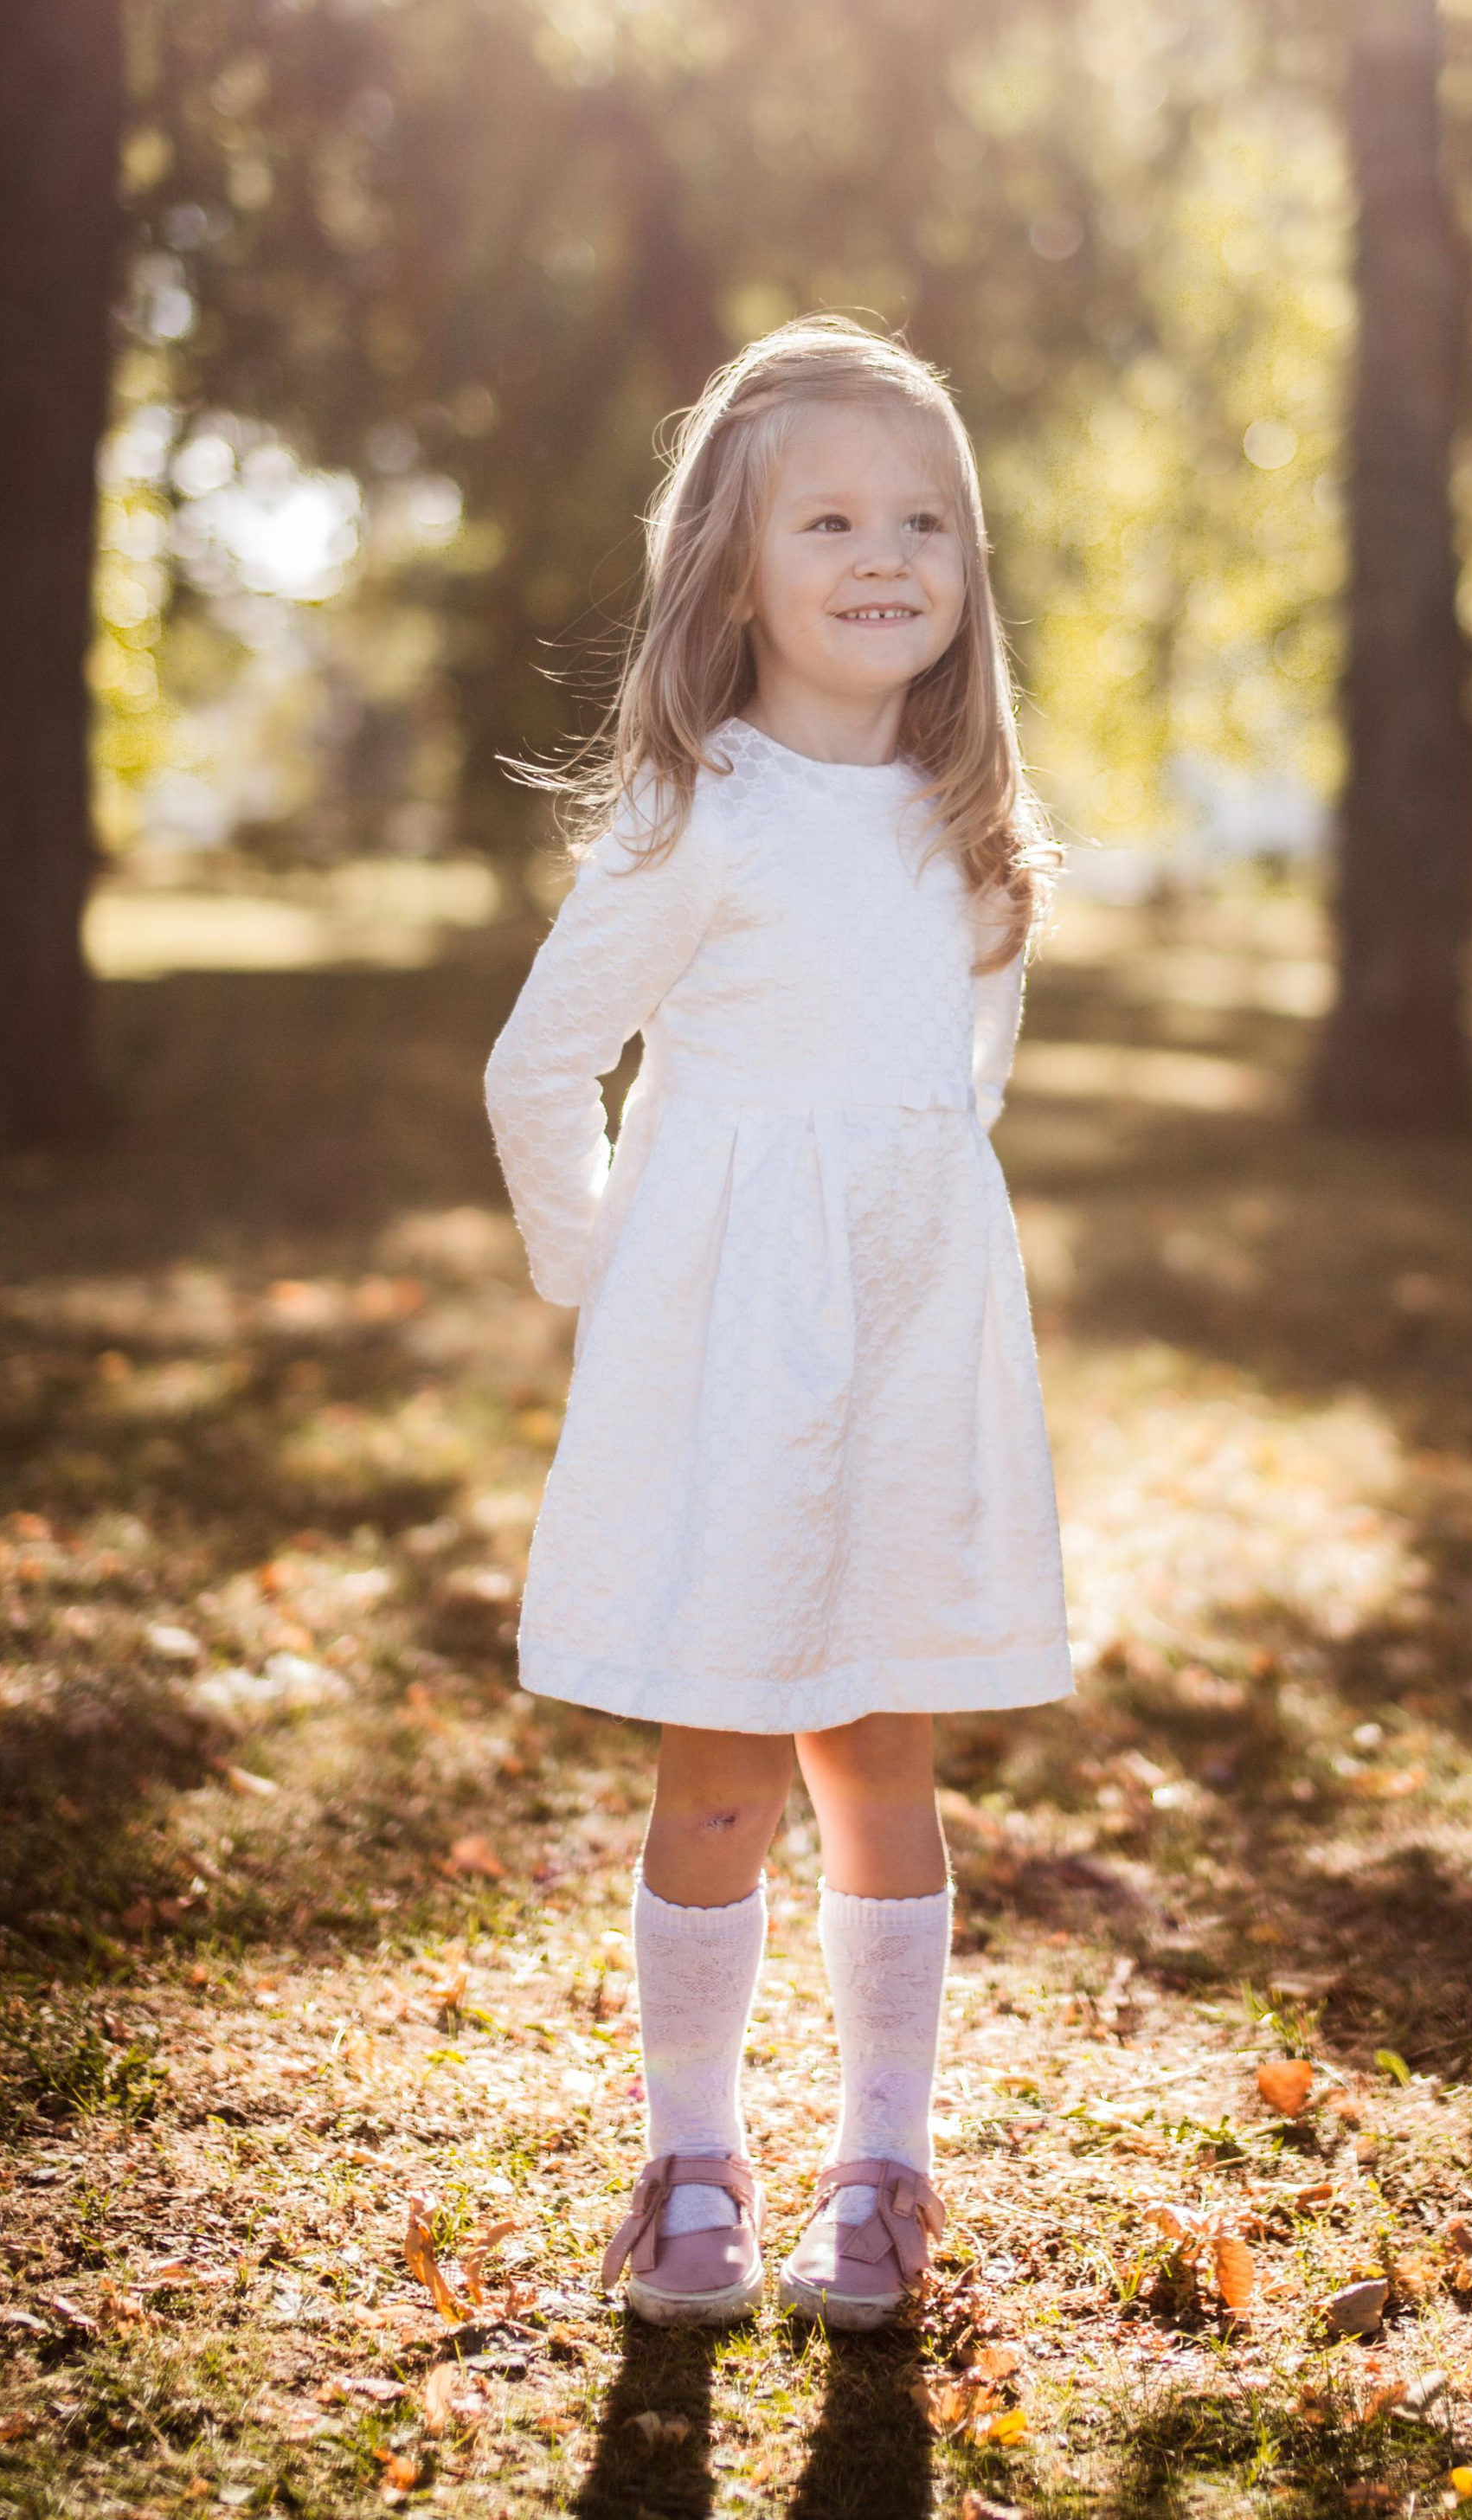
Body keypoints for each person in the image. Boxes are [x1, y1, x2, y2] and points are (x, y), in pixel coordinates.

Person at [483, 315, 1072, 2330]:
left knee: (881, 1738)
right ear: (736, 565)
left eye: (921, 516)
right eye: (829, 516)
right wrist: (608, 1285)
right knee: (723, 1753)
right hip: (727, 1357)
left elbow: (957, 1089)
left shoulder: (964, 825)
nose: (882, 549)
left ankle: (881, 2168)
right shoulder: (695, 815)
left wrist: (901, 1246)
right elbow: (537, 1070)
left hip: (906, 1354)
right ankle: (688, 2155)